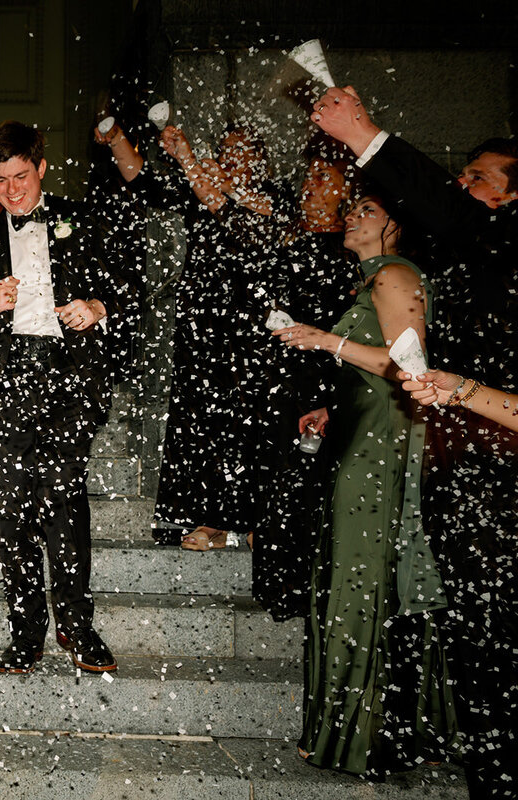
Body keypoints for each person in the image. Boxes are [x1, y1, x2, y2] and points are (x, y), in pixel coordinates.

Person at [314, 86, 518, 799]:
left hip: (500, 472)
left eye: (480, 179)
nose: (462, 187)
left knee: (491, 643)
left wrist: (365, 134)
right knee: (469, 638)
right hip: (458, 464)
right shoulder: (466, 259)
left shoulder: (499, 242)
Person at [274, 195, 455, 776]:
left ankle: (362, 737)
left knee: (358, 581)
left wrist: (326, 341)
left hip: (381, 448)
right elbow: (380, 365)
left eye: (368, 209)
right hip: (361, 434)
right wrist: (334, 405)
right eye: (348, 208)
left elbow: (414, 370)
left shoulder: (395, 274)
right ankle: (350, 729)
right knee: (349, 577)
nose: (351, 215)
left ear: (396, 223)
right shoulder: (372, 279)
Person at [0, 121, 130, 674]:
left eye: (21, 177)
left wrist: (97, 308)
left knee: (65, 506)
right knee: (10, 513)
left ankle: (77, 625)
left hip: (69, 381)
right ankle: (26, 632)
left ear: (41, 168)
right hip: (5, 385)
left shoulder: (84, 221)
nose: (12, 191)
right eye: (0, 182)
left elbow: (126, 287)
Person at [99, 118, 292, 552]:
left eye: (242, 151)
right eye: (226, 150)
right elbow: (142, 179)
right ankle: (196, 515)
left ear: (260, 161)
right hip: (202, 325)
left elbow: (239, 221)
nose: (230, 159)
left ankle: (237, 519)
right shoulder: (199, 188)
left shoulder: (274, 199)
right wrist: (117, 138)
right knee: (196, 421)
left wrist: (188, 159)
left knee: (241, 425)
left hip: (250, 329)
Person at [252, 136, 359, 621]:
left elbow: (342, 328)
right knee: (279, 487)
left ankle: (296, 585)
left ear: (346, 191)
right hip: (284, 381)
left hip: (323, 386)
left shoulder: (348, 255)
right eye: (308, 176)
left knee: (308, 492)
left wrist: (328, 395)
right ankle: (276, 582)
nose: (308, 187)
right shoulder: (294, 240)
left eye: (321, 178)